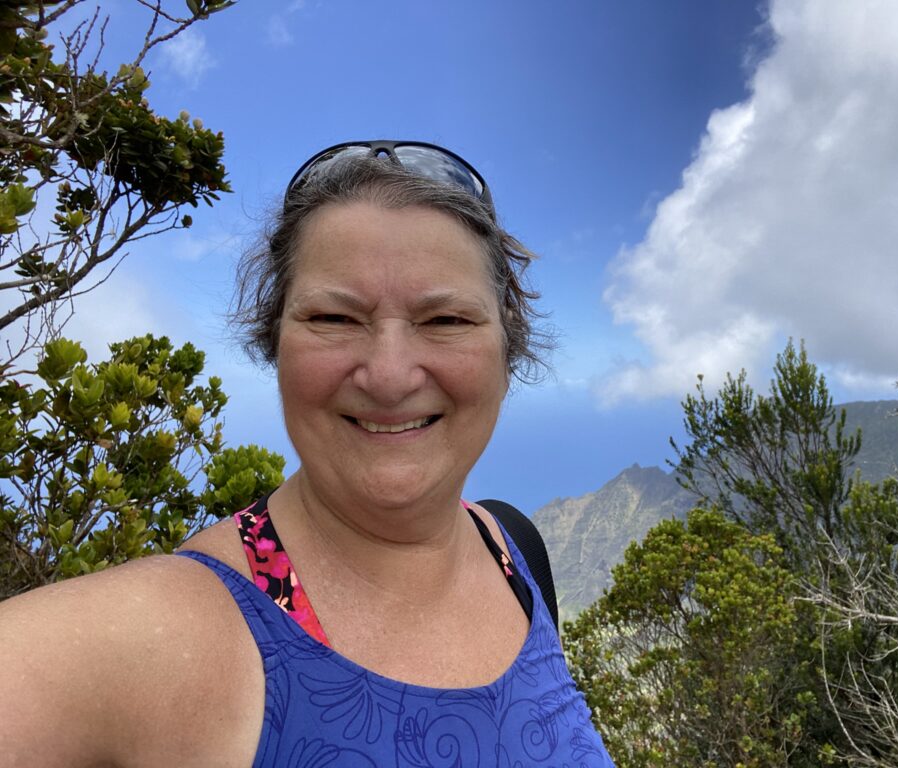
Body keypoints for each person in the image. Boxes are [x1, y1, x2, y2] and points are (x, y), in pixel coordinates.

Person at [0, 141, 616, 767]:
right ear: (275, 341)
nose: (390, 375)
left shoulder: (514, 552)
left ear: (507, 346)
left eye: (447, 321)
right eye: (334, 318)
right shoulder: (180, 634)